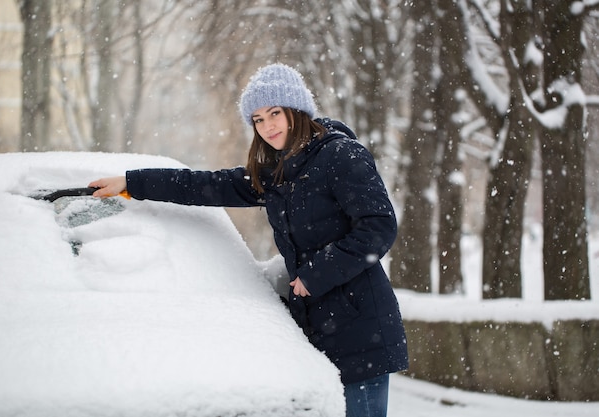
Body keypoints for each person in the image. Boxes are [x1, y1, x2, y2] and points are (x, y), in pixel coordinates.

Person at [89, 63, 408, 417]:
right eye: (258, 119)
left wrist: (316, 275)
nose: (268, 126)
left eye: (275, 113)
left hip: (360, 327)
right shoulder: (277, 173)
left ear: (297, 111)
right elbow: (204, 185)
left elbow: (378, 227)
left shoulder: (340, 156)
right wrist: (132, 182)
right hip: (314, 329)